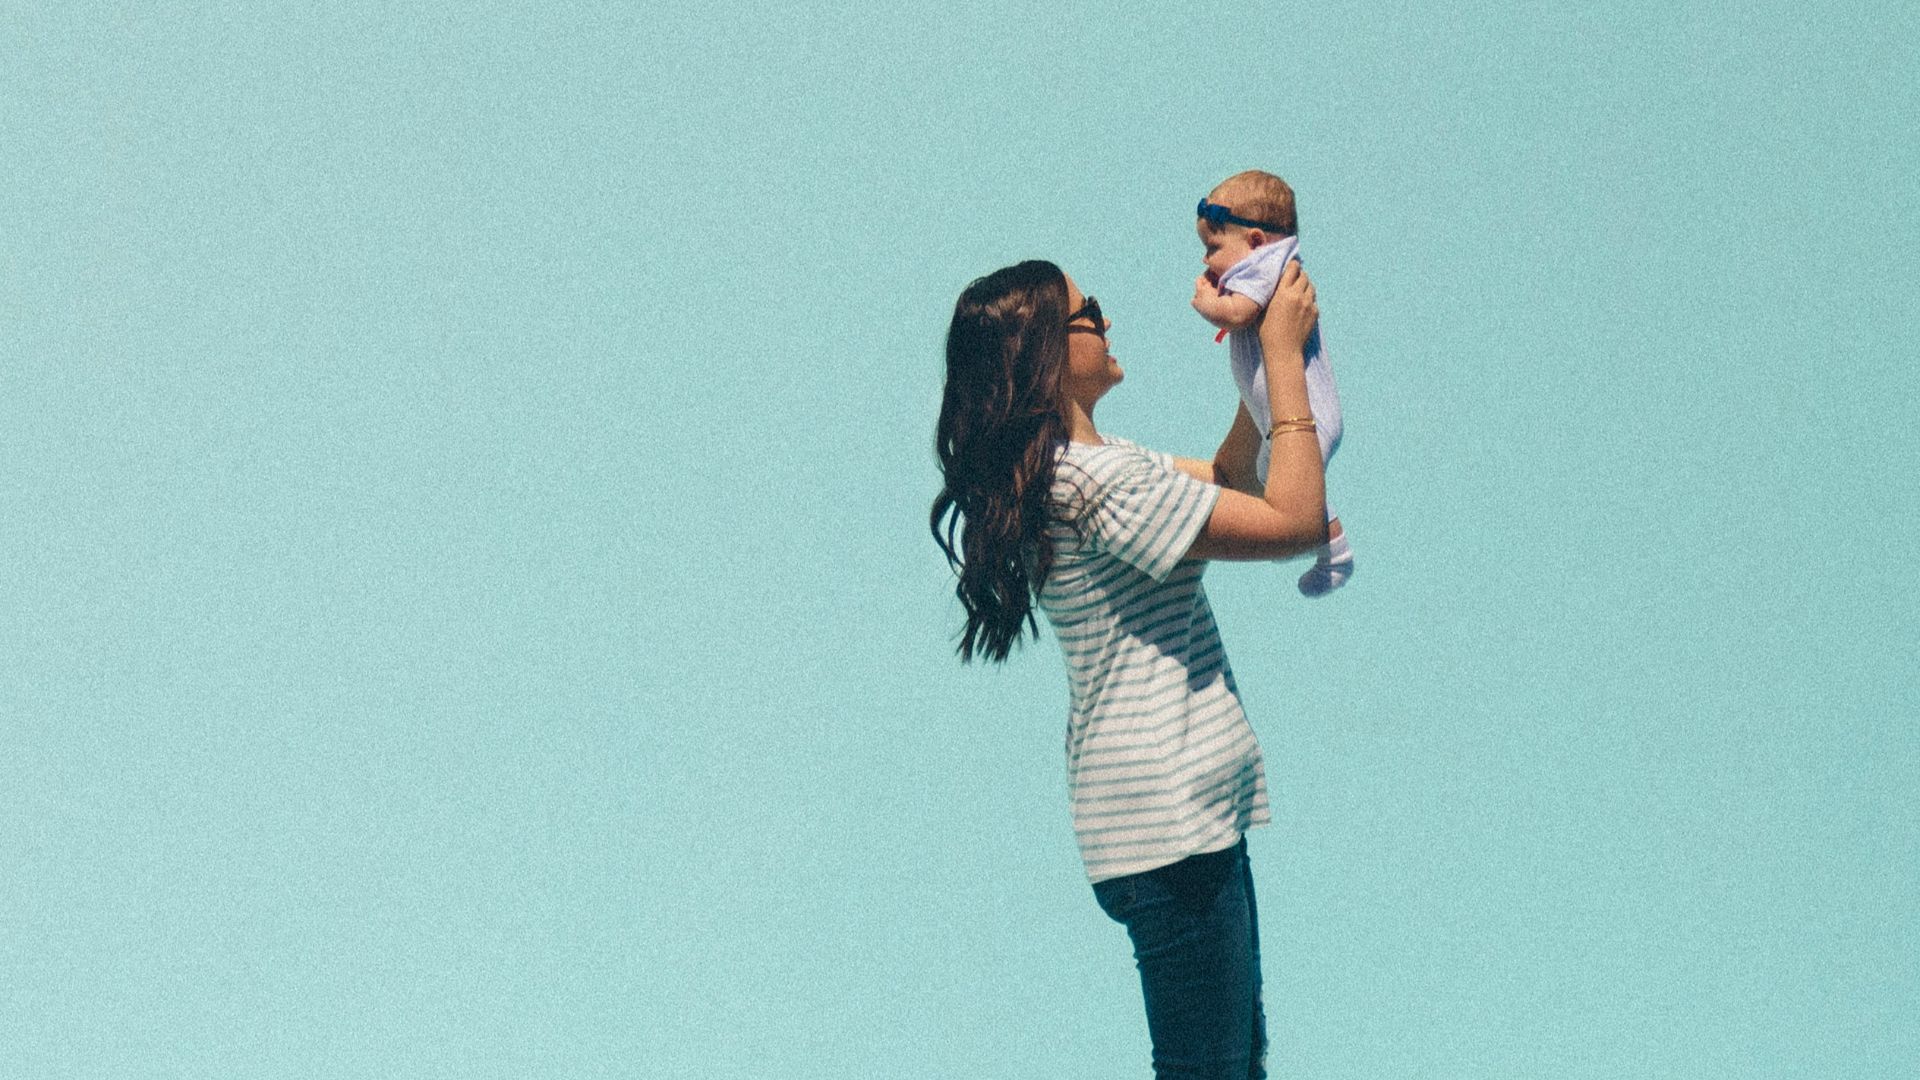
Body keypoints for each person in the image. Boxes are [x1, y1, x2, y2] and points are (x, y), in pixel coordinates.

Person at [931, 258, 1327, 1079]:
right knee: (1212, 1069)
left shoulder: (1082, 471)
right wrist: (1286, 359)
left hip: (1163, 818)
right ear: (1044, 354)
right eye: (1090, 313)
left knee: (1230, 1061)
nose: (1107, 321)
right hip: (1171, 819)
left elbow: (1223, 482)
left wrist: (1251, 362)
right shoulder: (1098, 485)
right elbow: (1293, 519)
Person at [1191, 170, 1353, 596]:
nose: (1206, 260)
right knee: (1268, 479)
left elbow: (1240, 313)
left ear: (1256, 240)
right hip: (1284, 418)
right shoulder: (1263, 265)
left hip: (1307, 417)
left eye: (1213, 248)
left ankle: (1332, 548)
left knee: (1279, 488)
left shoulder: (1269, 267)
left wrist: (1208, 304)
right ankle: (1319, 542)